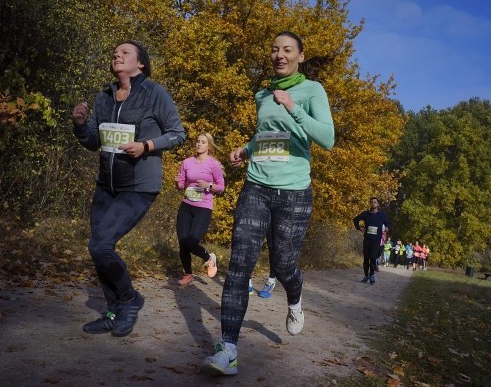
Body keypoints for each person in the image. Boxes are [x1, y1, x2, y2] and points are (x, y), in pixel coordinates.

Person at [201, 31, 335, 376]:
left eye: (287, 50)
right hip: (257, 186)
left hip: (294, 192)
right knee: (240, 264)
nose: (279, 55)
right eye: (274, 49)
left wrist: (293, 108)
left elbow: (327, 138)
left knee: (283, 263)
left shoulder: (312, 91)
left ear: (300, 56)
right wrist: (246, 149)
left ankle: (294, 298)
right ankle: (228, 349)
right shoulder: (262, 92)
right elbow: (267, 134)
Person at [72, 41, 186, 337]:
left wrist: (146, 146)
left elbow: (178, 134)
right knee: (98, 248)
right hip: (106, 184)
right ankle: (112, 312)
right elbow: (93, 142)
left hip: (138, 186)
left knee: (101, 245)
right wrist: (81, 124)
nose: (117, 55)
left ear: (141, 64)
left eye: (125, 53)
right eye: (115, 52)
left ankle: (130, 300)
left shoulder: (154, 93)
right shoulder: (105, 96)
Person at [174, 132, 225, 285]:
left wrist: (208, 186)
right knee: (182, 242)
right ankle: (188, 274)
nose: (199, 144)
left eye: (203, 142)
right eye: (197, 141)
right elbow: (182, 185)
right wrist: (177, 182)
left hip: (203, 207)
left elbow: (221, 187)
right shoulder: (187, 162)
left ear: (209, 146)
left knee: (191, 242)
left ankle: (209, 258)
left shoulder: (213, 164)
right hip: (187, 204)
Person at [353, 197, 391, 285]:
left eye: (375, 202)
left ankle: (372, 274)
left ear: (378, 204)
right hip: (367, 239)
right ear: (370, 204)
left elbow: (388, 223)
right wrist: (359, 227)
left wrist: (387, 228)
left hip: (376, 240)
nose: (373, 203)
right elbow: (355, 219)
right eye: (372, 202)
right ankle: (366, 275)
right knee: (366, 258)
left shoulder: (382, 215)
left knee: (373, 256)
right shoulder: (366, 214)